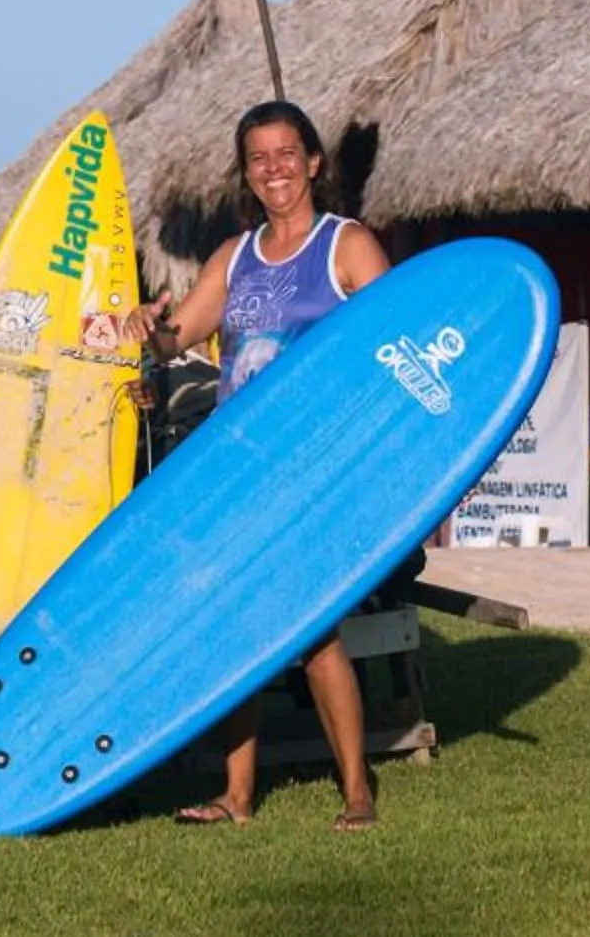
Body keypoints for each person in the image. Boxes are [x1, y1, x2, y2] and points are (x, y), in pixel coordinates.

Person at [130, 99, 391, 831]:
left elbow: (397, 343)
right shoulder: (234, 257)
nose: (273, 169)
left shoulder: (348, 246)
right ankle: (236, 796)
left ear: (312, 162)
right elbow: (180, 332)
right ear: (245, 174)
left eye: (286, 154)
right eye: (258, 159)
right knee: (235, 630)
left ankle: (357, 792)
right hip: (238, 471)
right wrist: (154, 329)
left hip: (318, 470)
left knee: (314, 634)